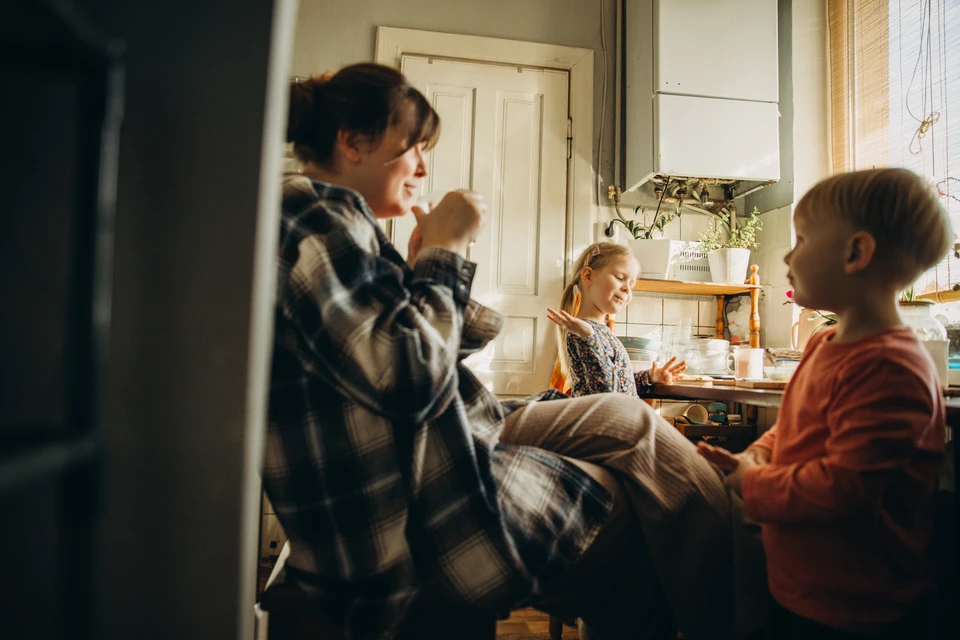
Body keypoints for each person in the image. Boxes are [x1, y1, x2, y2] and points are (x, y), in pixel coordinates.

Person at [265, 62, 765, 640]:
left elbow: (399, 354)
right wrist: (445, 253)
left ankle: (744, 573)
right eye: (412, 148)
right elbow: (411, 379)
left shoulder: (331, 217)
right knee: (635, 511)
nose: (423, 168)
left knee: (626, 418)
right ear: (352, 142)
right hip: (410, 480)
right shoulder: (316, 219)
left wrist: (420, 267)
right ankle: (750, 607)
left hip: (442, 431)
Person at [698, 168, 950, 639]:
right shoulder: (823, 342)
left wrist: (753, 481)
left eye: (801, 239)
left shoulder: (890, 367)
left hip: (855, 607)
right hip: (798, 584)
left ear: (856, 253)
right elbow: (794, 425)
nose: (787, 255)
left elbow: (843, 489)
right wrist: (761, 452)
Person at [547, 241, 686, 397]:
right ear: (588, 276)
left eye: (631, 285)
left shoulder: (599, 330)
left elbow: (619, 385)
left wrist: (649, 377)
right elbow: (606, 392)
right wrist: (589, 337)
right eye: (620, 278)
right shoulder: (582, 333)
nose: (627, 289)